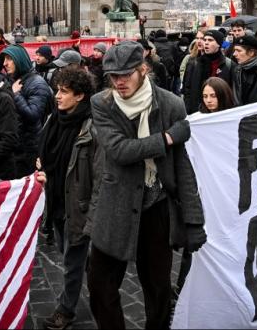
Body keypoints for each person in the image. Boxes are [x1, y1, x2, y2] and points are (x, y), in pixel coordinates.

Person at [88, 41, 205, 329]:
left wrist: (193, 221)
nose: (118, 82)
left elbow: (182, 167)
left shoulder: (170, 104)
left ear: (143, 69)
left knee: (158, 289)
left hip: (157, 208)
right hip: (114, 204)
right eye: (113, 76)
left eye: (125, 74)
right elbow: (120, 151)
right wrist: (167, 138)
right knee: (100, 286)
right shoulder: (101, 103)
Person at [38, 67, 103, 330]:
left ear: (80, 96)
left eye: (64, 92)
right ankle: (94, 269)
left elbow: (98, 174)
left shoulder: (91, 127)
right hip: (55, 199)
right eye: (57, 90)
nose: (57, 96)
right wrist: (42, 161)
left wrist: (92, 212)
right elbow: (46, 149)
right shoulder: (54, 119)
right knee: (69, 252)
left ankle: (66, 310)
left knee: (70, 263)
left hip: (77, 205)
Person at [0, 45, 53, 176]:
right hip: (17, 146)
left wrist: (15, 95)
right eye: (4, 60)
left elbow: (33, 115)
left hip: (29, 149)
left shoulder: (37, 83)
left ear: (19, 60)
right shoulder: (15, 78)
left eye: (9, 59)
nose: (5, 64)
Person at [182, 29, 234, 114]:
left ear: (219, 44)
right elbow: (187, 90)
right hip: (198, 113)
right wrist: (189, 110)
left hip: (222, 113)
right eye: (205, 40)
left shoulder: (229, 65)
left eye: (210, 40)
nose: (205, 42)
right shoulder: (194, 63)